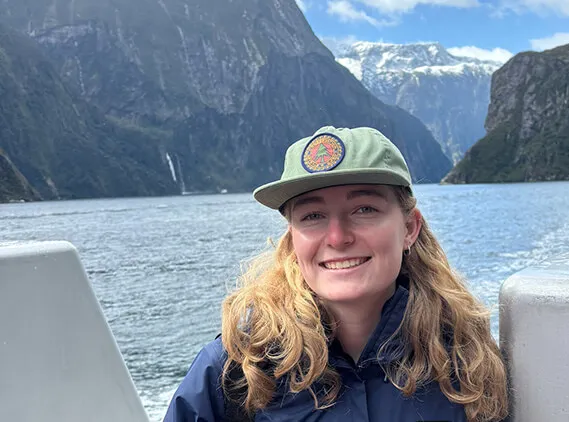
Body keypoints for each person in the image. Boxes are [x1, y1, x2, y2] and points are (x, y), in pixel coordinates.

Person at [163, 126, 509, 422]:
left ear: (409, 227)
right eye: (312, 216)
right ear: (293, 238)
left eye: (364, 209)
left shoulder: (467, 360)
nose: (337, 237)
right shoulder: (236, 369)